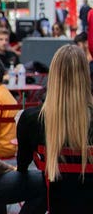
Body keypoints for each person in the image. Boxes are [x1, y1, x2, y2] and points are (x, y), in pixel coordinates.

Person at [17, 45, 93, 212]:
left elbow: (22, 166)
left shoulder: (31, 119)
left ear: (54, 76)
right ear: (86, 76)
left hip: (54, 202)